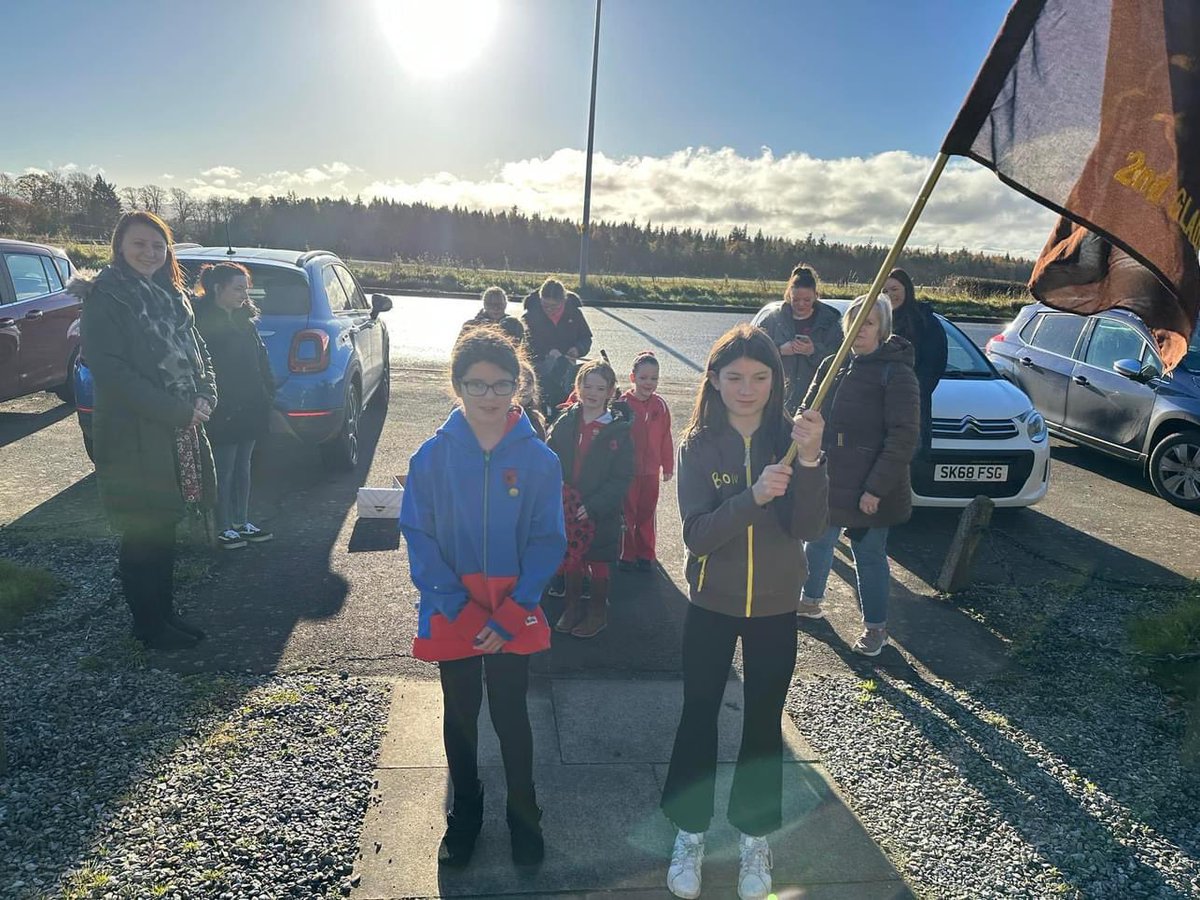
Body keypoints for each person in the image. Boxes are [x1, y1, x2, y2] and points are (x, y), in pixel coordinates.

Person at [662, 324, 827, 900]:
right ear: (713, 379)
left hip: (777, 608)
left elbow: (810, 527)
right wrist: (752, 497)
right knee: (698, 715)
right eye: (734, 377)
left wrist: (812, 460)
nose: (747, 389)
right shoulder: (698, 444)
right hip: (712, 603)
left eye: (760, 377)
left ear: (775, 381)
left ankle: (755, 837)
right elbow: (698, 535)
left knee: (763, 721)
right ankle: (689, 831)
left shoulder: (792, 438)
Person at [399, 326, 567, 868]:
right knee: (461, 712)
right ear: (457, 386)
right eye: (476, 384)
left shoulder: (540, 460)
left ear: (519, 385)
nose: (489, 396)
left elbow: (548, 540)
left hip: (513, 607)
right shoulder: (431, 457)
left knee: (511, 711)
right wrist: (459, 608)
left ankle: (524, 812)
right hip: (453, 607)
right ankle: (466, 812)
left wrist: (514, 610)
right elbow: (419, 534)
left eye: (501, 384)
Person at [75, 211, 218, 651]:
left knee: (166, 525)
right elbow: (113, 372)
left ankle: (164, 613)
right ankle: (148, 625)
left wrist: (206, 396)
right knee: (143, 530)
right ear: (119, 247)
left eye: (158, 245)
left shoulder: (173, 296)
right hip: (134, 435)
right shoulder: (105, 297)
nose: (149, 253)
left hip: (178, 429)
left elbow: (199, 354)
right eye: (139, 244)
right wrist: (177, 411)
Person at [798, 294, 920, 656]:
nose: (860, 330)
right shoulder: (832, 365)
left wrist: (875, 489)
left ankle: (876, 628)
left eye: (868, 323)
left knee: (868, 555)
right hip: (830, 476)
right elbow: (807, 409)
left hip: (870, 485)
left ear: (883, 329)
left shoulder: (897, 374)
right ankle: (809, 601)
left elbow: (903, 438)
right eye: (855, 321)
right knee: (817, 540)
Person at [545, 358, 634, 639]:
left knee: (598, 562)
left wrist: (594, 505)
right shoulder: (565, 422)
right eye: (587, 386)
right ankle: (571, 608)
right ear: (578, 387)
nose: (592, 392)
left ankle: (597, 613)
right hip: (568, 508)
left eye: (600, 388)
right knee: (573, 559)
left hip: (600, 512)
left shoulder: (619, 431)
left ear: (611, 392)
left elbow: (621, 478)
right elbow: (549, 457)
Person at [192, 262, 276, 550]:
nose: (244, 295)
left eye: (246, 289)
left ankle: (241, 521)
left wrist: (268, 392)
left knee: (244, 466)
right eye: (238, 288)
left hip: (251, 407)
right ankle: (223, 526)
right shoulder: (201, 323)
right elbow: (203, 369)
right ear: (218, 288)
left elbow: (261, 360)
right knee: (223, 469)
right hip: (222, 409)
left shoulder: (246, 322)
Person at [750, 264, 844, 413]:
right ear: (789, 295)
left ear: (816, 295)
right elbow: (751, 351)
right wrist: (779, 350)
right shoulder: (774, 319)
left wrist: (813, 351)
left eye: (807, 300)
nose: (801, 304)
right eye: (796, 300)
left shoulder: (830, 322)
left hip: (817, 401)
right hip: (776, 399)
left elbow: (841, 360)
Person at [618, 351, 674, 572]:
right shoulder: (623, 404)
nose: (648, 383)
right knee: (627, 512)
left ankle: (645, 552)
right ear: (633, 378)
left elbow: (666, 437)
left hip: (651, 471)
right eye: (643, 378)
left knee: (647, 513)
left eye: (653, 378)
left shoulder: (660, 405)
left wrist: (667, 465)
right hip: (628, 471)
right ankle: (627, 553)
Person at [882, 267, 947, 454]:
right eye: (884, 291)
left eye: (895, 289)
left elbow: (934, 365)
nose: (889, 295)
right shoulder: (877, 321)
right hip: (879, 407)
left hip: (913, 408)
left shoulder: (925, 322)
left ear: (907, 289)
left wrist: (910, 393)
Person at [521, 279, 593, 409]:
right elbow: (525, 345)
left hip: (567, 369)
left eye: (555, 306)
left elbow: (586, 338)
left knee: (566, 400)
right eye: (545, 305)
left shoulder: (574, 313)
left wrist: (578, 349)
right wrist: (547, 353)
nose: (549, 309)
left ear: (564, 301)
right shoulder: (530, 316)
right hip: (540, 369)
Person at [459, 285, 524, 344]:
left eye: (499, 304)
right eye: (490, 304)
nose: (495, 308)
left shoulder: (514, 325)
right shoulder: (470, 325)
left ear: (505, 304)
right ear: (484, 305)